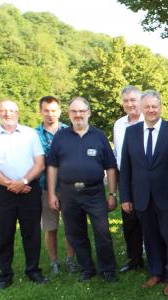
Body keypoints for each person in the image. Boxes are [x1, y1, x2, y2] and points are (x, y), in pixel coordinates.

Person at [46, 97, 119, 283]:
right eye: (74, 111)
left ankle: (108, 269)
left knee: (102, 232)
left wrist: (112, 193)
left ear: (89, 113)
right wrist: (53, 193)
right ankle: (87, 268)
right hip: (69, 193)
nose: (78, 115)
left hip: (94, 192)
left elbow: (110, 166)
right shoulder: (60, 137)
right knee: (75, 233)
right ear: (69, 114)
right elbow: (52, 166)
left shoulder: (99, 135)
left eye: (82, 111)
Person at [119, 90, 168, 296]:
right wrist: (126, 197)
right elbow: (126, 167)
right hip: (141, 197)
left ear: (161, 108)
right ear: (141, 108)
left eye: (154, 106)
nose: (151, 110)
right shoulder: (131, 133)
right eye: (146, 106)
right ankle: (156, 272)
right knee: (150, 238)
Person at [0, 99, 47, 290]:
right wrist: (12, 184)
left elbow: (40, 163)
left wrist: (23, 182)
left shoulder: (30, 134)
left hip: (29, 190)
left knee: (32, 234)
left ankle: (33, 271)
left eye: (11, 110)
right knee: (4, 235)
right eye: (3, 111)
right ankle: (4, 275)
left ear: (18, 113)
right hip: (3, 192)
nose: (7, 114)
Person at [34, 95, 78, 275]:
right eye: (46, 111)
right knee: (50, 227)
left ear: (59, 112)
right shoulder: (34, 135)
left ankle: (70, 260)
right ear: (41, 112)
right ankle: (54, 262)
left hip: (68, 187)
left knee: (70, 226)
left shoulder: (70, 131)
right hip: (45, 187)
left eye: (53, 111)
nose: (50, 114)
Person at [112, 86, 144, 273]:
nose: (130, 104)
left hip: (145, 177)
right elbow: (118, 155)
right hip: (125, 176)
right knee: (129, 220)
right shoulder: (119, 124)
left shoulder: (148, 121)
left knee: (148, 220)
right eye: (126, 101)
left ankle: (157, 259)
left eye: (133, 100)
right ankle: (134, 259)